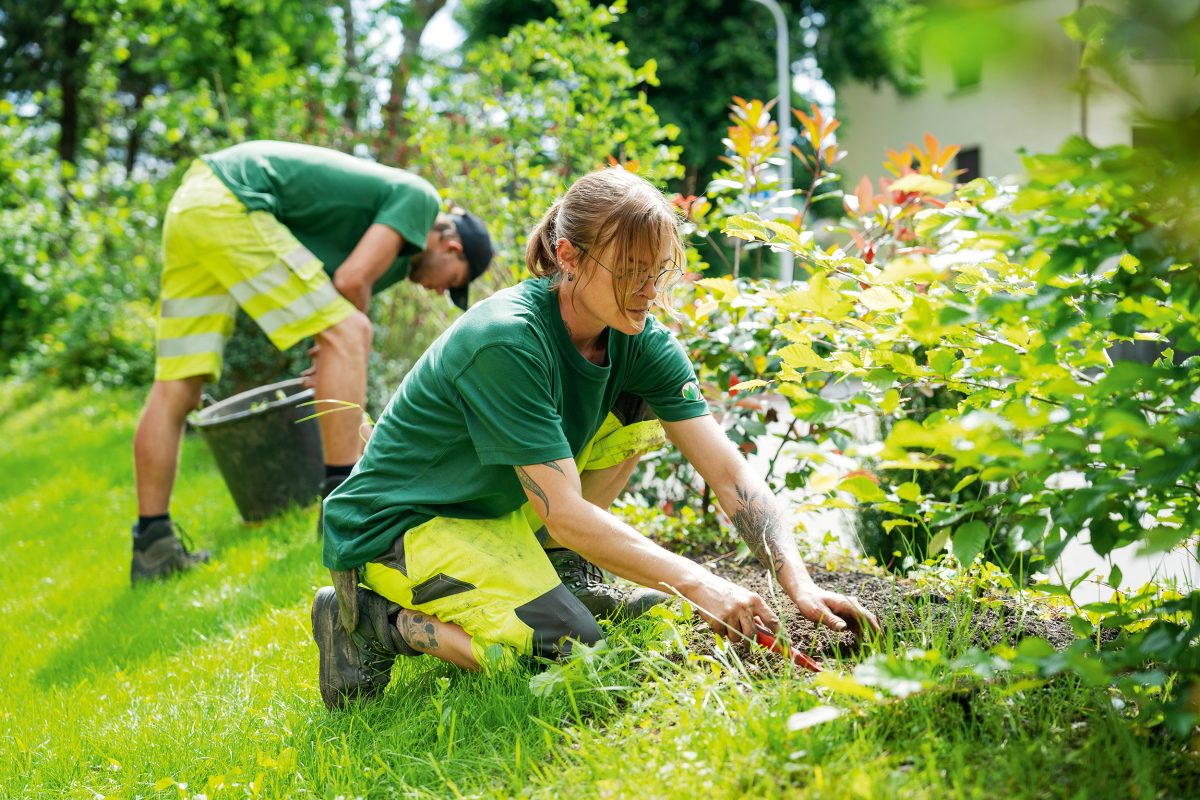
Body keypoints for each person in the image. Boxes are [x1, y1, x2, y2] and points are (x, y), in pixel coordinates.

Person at [311, 167, 879, 710]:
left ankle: (561, 573)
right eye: (630, 270)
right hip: (402, 526)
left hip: (495, 512)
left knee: (635, 410)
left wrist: (798, 584)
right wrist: (705, 585)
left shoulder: (636, 339)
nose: (648, 290)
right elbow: (564, 511)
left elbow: (730, 474)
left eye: (658, 271)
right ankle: (371, 622)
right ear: (569, 257)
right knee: (564, 659)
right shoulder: (507, 341)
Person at [130, 140, 494, 585]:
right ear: (452, 246)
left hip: (193, 205)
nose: (438, 292)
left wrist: (333, 357)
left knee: (178, 386)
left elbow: (331, 307)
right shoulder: (421, 200)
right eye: (451, 283)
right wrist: (341, 346)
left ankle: (153, 545)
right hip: (231, 199)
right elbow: (350, 281)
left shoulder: (395, 258)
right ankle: (342, 502)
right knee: (353, 332)